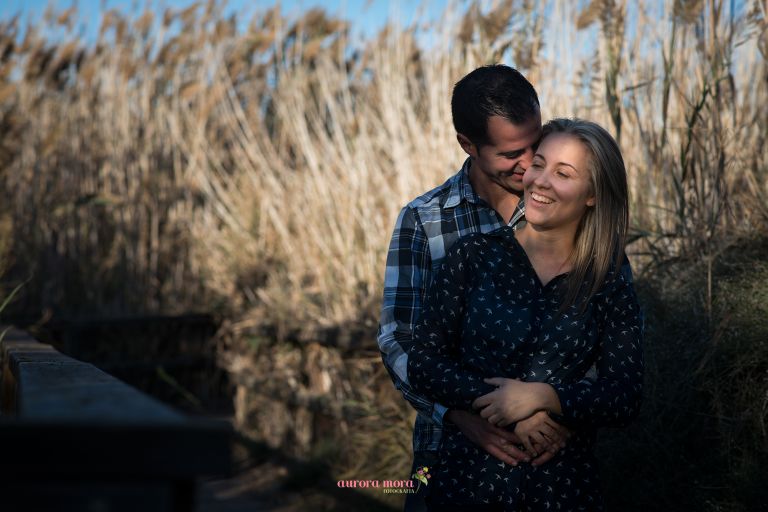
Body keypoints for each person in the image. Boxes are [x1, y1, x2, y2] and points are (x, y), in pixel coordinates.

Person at [407, 118, 644, 510]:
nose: (540, 181)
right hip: (468, 481)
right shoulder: (473, 256)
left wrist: (546, 398)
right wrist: (504, 407)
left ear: (593, 195)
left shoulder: (608, 275)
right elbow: (424, 364)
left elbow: (625, 395)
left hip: (562, 488)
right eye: (539, 164)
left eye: (563, 174)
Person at [376, 65, 571, 512]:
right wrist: (459, 416)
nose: (529, 165)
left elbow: (600, 330)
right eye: (510, 153)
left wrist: (562, 416)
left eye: (535, 143)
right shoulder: (425, 220)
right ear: (468, 145)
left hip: (554, 455)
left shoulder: (568, 207)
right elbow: (398, 338)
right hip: (445, 450)